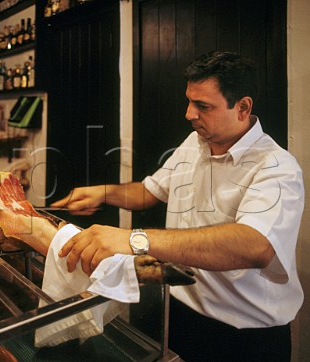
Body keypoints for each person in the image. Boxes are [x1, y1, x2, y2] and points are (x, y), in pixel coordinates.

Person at [50, 51, 304, 362]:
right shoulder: (194, 143)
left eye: (203, 106)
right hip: (180, 312)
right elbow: (149, 191)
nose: (189, 114)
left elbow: (255, 246)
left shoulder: (277, 167)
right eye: (190, 101)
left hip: (243, 336)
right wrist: (102, 193)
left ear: (243, 107)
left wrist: (134, 240)